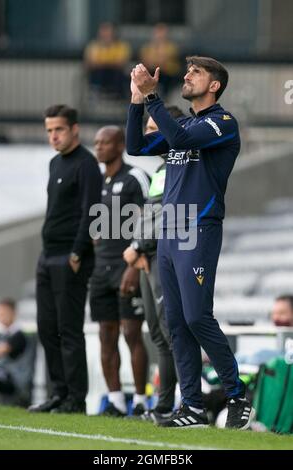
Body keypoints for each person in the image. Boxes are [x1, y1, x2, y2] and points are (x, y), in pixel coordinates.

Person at [126, 56, 255, 429]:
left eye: (195, 72)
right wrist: (137, 100)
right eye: (187, 71)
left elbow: (180, 139)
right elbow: (135, 145)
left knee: (198, 316)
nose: (186, 76)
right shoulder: (182, 122)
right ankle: (193, 407)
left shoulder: (222, 123)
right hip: (169, 233)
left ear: (214, 85)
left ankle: (236, 394)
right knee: (177, 323)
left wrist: (152, 99)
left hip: (198, 229)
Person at [29, 105, 102, 414]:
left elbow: (92, 211)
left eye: (58, 129)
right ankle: (58, 392)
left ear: (74, 129)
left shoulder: (86, 164)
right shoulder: (54, 164)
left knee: (69, 329)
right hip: (48, 256)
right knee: (47, 327)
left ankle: (76, 398)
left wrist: (77, 251)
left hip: (70, 257)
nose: (53, 136)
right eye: (48, 131)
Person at [123, 106, 184, 424]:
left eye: (152, 127)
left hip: (163, 256)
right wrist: (138, 247)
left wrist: (139, 247)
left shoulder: (180, 166)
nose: (148, 133)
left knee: (170, 333)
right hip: (148, 257)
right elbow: (149, 214)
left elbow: (169, 216)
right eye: (145, 127)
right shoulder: (161, 169)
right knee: (158, 335)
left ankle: (184, 405)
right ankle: (163, 406)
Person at [90, 126, 150, 417]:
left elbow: (149, 217)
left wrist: (134, 265)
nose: (99, 147)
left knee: (132, 334)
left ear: (120, 145)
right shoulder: (95, 181)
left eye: (105, 142)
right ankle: (114, 400)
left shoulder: (136, 176)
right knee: (105, 334)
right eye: (97, 142)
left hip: (127, 268)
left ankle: (140, 400)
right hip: (101, 268)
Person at [0, 298, 28, 405]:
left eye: (3, 313)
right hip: (5, 378)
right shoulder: (3, 335)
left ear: (13, 313)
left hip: (15, 382)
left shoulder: (19, 335)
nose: (0, 316)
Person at [84, 22, 131, 97]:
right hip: (98, 75)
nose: (106, 34)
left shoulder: (122, 46)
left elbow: (121, 63)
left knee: (121, 75)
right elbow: (90, 63)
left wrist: (102, 62)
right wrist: (110, 62)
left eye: (108, 32)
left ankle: (117, 95)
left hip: (115, 75)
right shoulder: (93, 46)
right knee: (99, 73)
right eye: (104, 32)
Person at [139, 23, 180, 97]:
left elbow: (163, 61)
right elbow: (145, 60)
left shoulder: (172, 47)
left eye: (162, 33)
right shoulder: (147, 47)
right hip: (152, 71)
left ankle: (165, 97)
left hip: (167, 73)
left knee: (164, 75)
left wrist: (156, 59)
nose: (160, 35)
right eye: (158, 32)